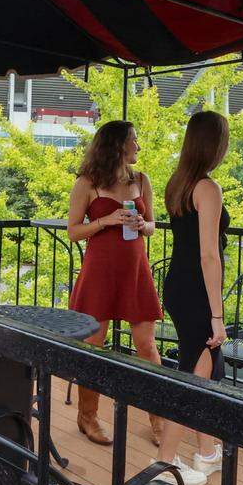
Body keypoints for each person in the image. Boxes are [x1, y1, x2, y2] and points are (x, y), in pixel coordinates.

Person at [67, 120, 163, 447]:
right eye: (134, 140)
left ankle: (158, 418)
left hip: (135, 269)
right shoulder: (87, 183)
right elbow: (74, 231)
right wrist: (105, 221)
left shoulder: (142, 180)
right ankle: (87, 416)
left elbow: (153, 225)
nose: (138, 146)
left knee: (147, 346)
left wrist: (143, 224)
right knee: (94, 344)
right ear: (119, 145)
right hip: (100, 270)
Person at [156, 111, 231, 485]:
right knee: (191, 380)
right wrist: (217, 315)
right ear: (215, 144)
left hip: (178, 285)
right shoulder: (207, 188)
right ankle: (165, 463)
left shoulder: (177, 184)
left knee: (199, 370)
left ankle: (206, 452)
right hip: (198, 290)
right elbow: (209, 254)